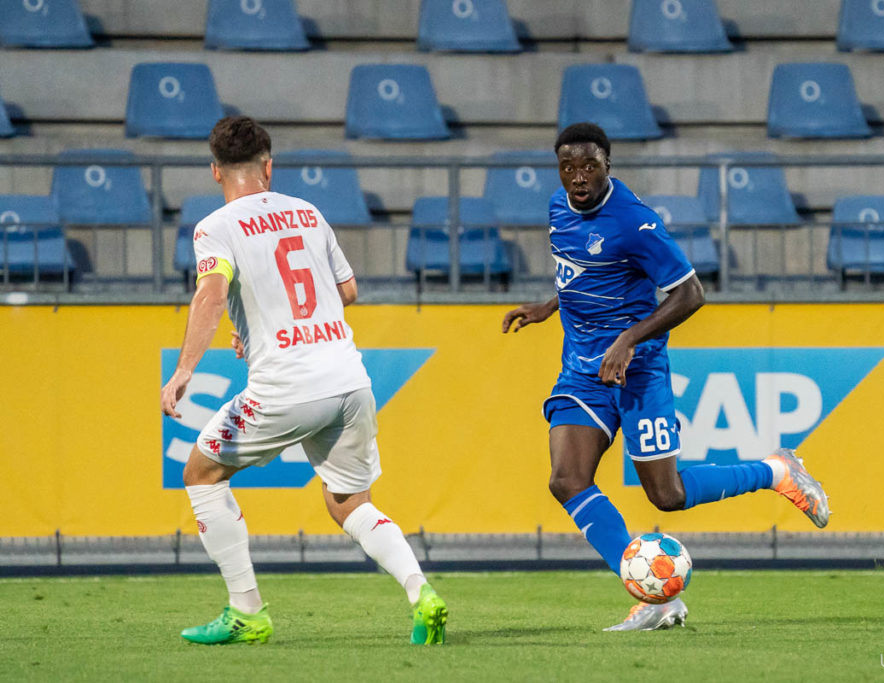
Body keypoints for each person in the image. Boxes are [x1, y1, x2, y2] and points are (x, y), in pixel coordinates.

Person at [502, 122, 829, 632]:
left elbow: (691, 293)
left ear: (608, 165)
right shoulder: (557, 208)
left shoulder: (634, 222)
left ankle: (777, 472)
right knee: (566, 479)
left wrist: (629, 339)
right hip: (582, 372)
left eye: (589, 165)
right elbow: (581, 270)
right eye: (568, 166)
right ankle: (654, 599)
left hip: (638, 370)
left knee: (667, 496)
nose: (578, 177)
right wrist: (549, 306)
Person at [160, 116, 447, 646]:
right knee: (349, 502)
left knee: (201, 473)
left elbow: (212, 295)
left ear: (215, 172)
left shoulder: (215, 227)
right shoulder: (308, 213)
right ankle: (421, 592)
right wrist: (273, 329)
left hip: (287, 389)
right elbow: (348, 290)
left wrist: (184, 370)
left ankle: (246, 612)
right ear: (269, 167)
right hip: (350, 382)